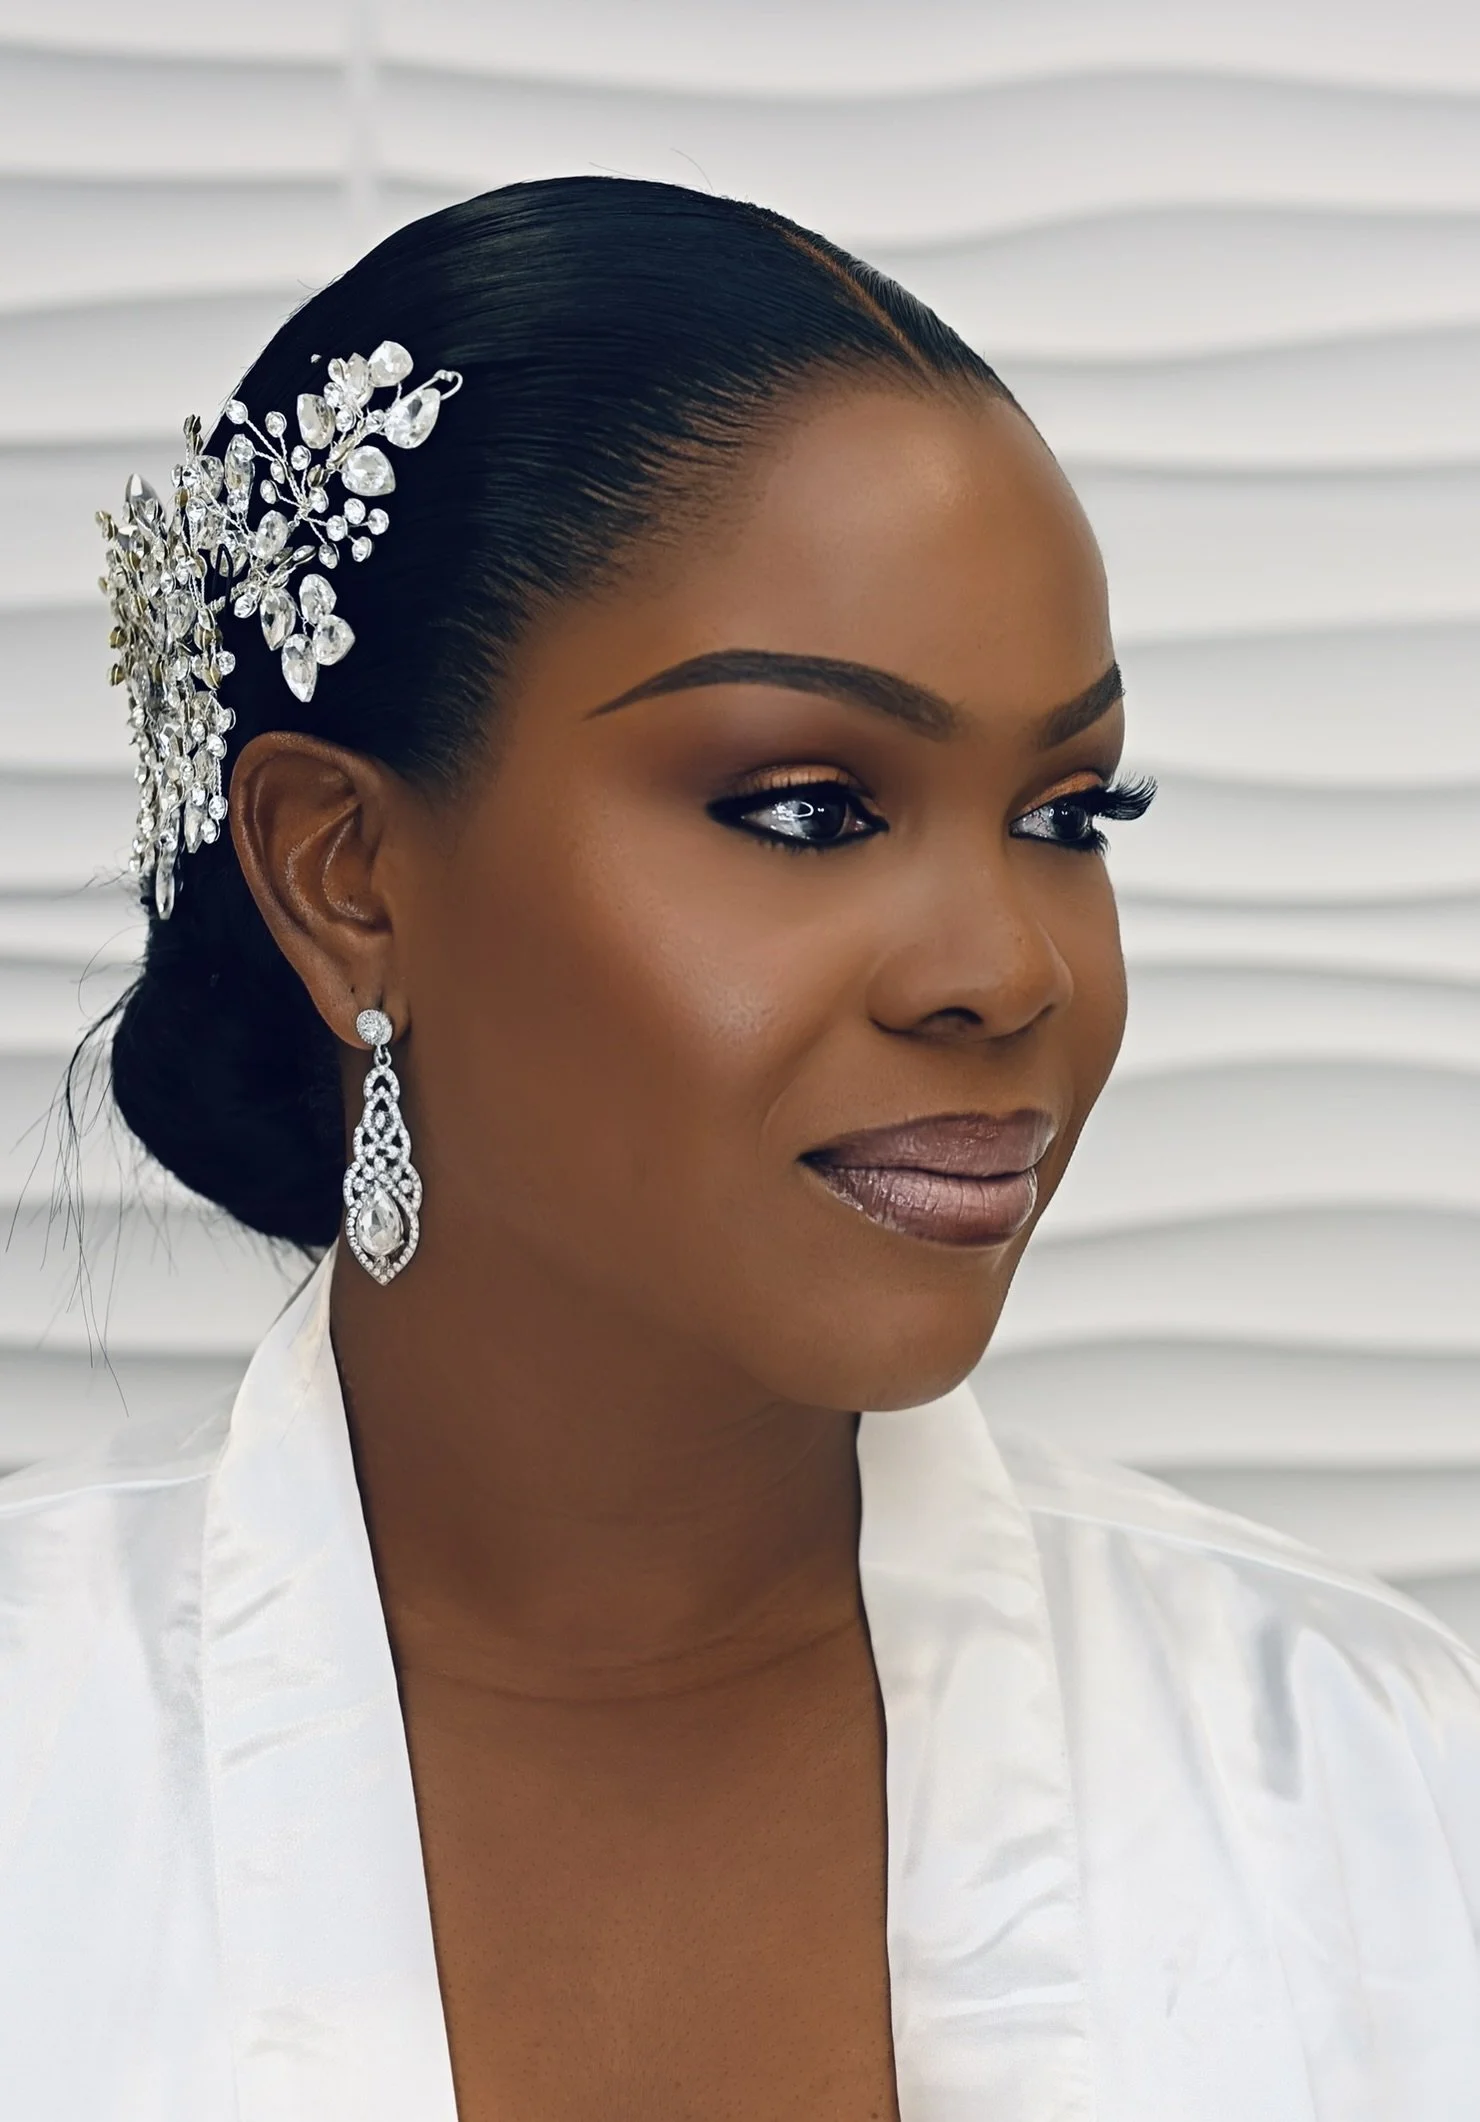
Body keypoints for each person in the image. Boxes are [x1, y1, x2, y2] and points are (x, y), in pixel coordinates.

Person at [2, 177, 1477, 2121]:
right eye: (803, 808)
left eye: (1064, 810)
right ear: (343, 870)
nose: (1004, 966)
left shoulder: (1366, 1780)